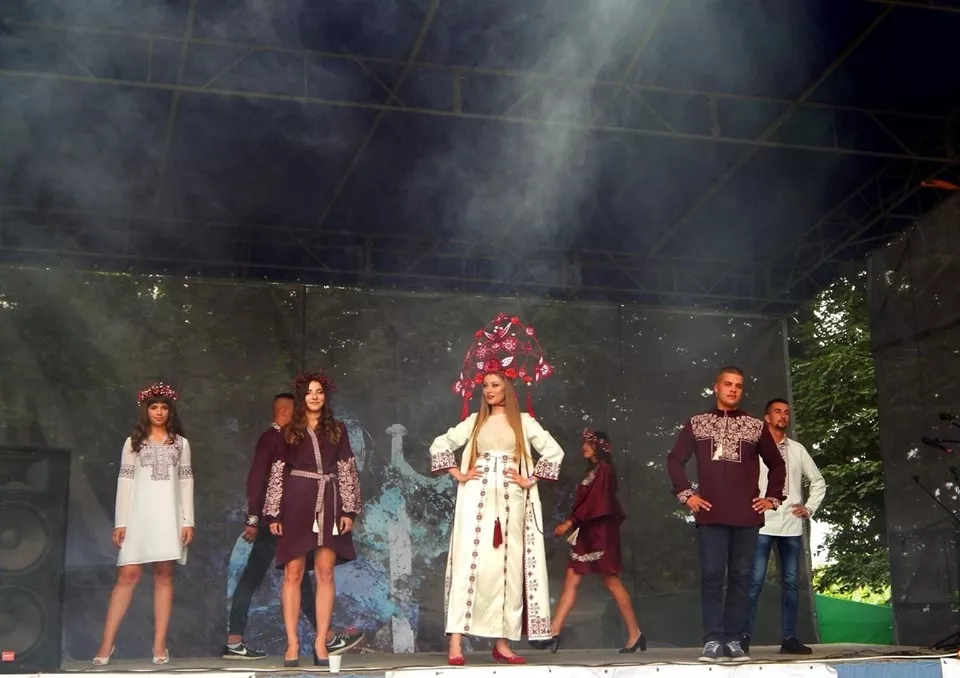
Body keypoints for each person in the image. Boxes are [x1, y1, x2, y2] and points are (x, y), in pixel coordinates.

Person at [430, 313, 564, 666]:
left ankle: (502, 643)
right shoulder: (475, 421)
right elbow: (440, 444)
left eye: (495, 385)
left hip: (511, 501)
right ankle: (456, 642)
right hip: (476, 500)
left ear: (508, 388)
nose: (489, 390)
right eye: (486, 385)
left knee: (507, 569)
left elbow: (554, 451)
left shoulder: (524, 422)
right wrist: (459, 473)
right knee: (469, 564)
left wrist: (530, 479)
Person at [223, 393, 363, 659]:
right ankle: (237, 639)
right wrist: (255, 517)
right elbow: (259, 477)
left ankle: (325, 638)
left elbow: (342, 468)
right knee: (269, 575)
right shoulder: (274, 437)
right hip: (276, 517)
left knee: (302, 577)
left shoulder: (311, 434)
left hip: (293, 514)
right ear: (286, 412)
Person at [666, 366, 786, 663]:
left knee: (742, 577)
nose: (733, 389)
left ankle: (733, 639)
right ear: (716, 387)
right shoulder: (698, 423)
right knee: (711, 575)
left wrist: (771, 499)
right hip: (711, 514)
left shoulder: (755, 426)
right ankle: (712, 640)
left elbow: (777, 464)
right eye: (728, 384)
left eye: (739, 385)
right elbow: (674, 460)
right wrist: (687, 494)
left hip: (746, 516)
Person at [265, 372, 362, 668]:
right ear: (301, 397)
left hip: (329, 503)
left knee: (325, 572)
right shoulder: (288, 432)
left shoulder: (338, 429)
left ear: (325, 396)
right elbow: (277, 470)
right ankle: (292, 642)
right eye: (309, 392)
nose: (315, 396)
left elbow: (346, 467)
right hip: (296, 502)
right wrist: (274, 512)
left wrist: (348, 510)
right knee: (293, 572)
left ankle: (321, 642)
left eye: (319, 392)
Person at [93, 383, 194, 666]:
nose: (159, 412)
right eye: (154, 407)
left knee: (164, 575)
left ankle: (160, 644)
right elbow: (125, 481)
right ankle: (106, 643)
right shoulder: (133, 443)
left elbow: (186, 481)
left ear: (170, 411)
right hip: (138, 516)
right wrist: (121, 522)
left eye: (164, 407)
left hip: (170, 516)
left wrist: (188, 520)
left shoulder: (181, 444)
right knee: (128, 574)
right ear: (145, 411)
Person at [547, 429, 645, 653]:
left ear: (599, 447)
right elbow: (586, 502)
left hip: (601, 533)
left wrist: (570, 522)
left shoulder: (605, 470)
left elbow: (595, 502)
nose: (584, 447)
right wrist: (574, 523)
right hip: (587, 531)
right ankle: (553, 631)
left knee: (611, 581)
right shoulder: (592, 471)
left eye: (588, 444)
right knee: (572, 580)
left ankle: (635, 633)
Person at [741, 398, 826, 656]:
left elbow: (818, 481)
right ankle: (742, 637)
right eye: (777, 412)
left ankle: (789, 638)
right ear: (767, 417)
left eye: (787, 413)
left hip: (791, 526)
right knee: (754, 582)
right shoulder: (754, 448)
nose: (783, 416)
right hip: (761, 524)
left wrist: (809, 508)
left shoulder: (797, 449)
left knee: (790, 583)